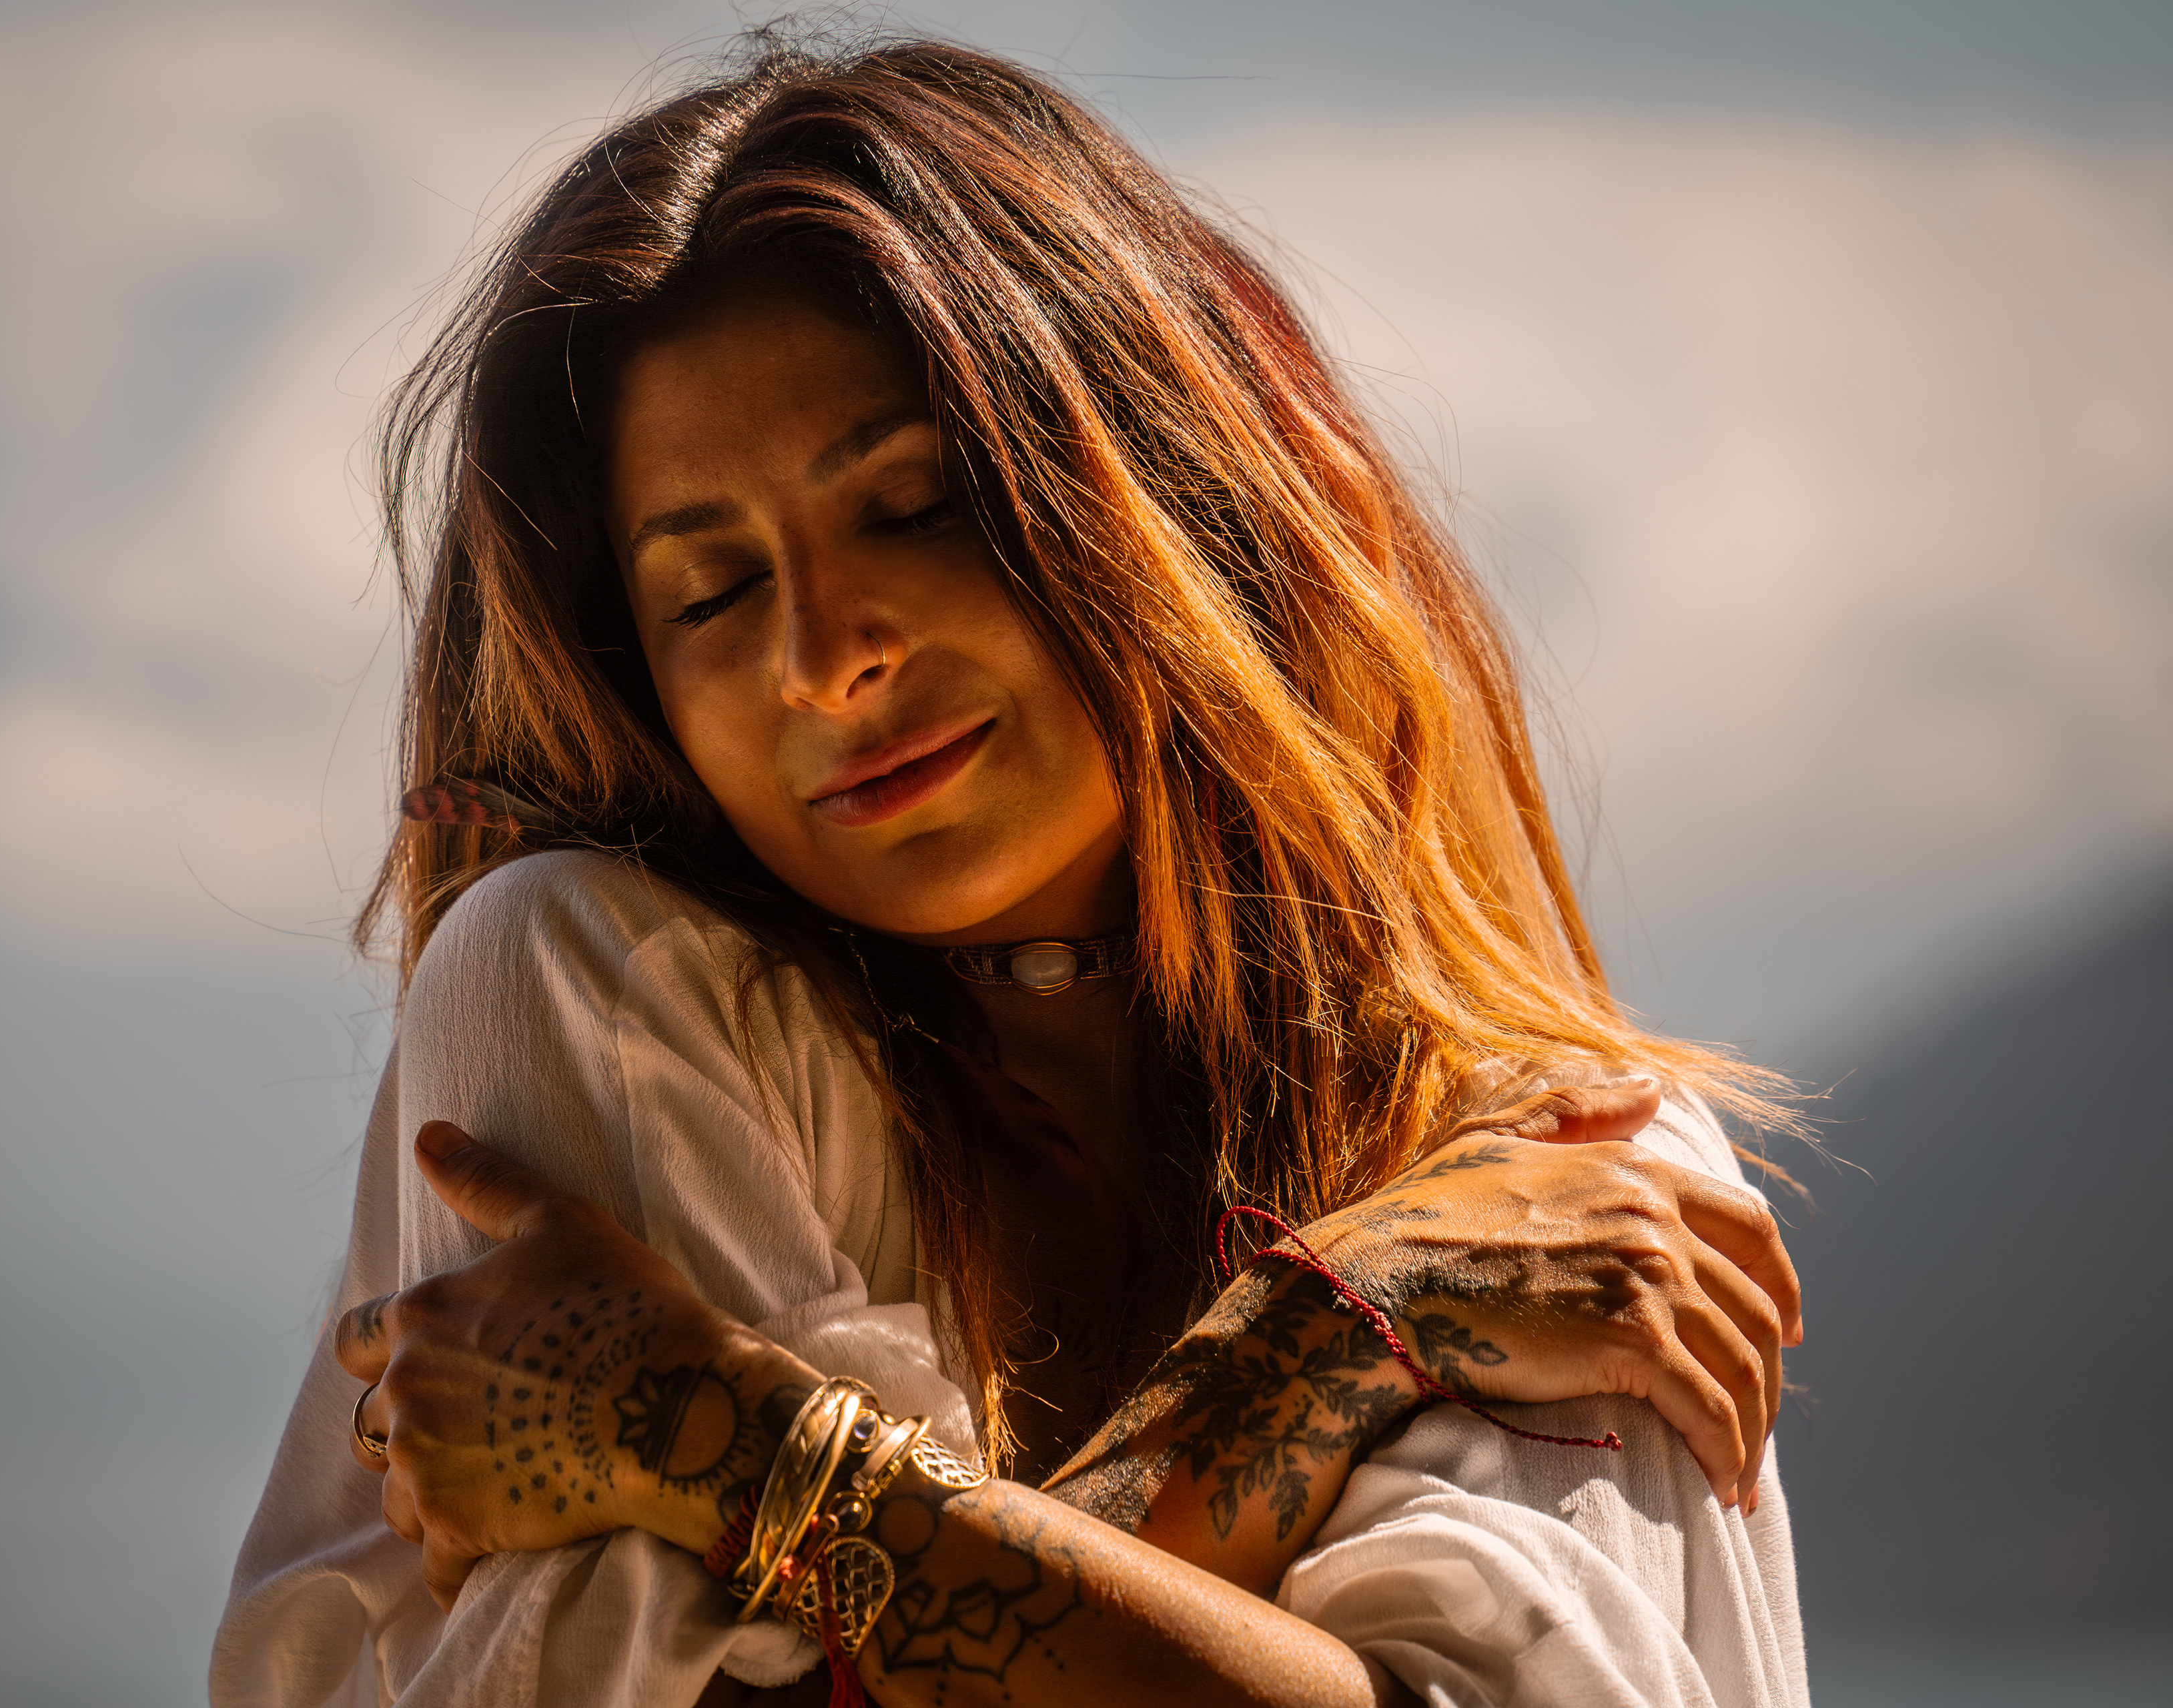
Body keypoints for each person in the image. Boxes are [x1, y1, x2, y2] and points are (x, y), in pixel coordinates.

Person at [213, 35, 1807, 1708]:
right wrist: (1339, 1323)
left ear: (1157, 497)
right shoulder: (592, 992)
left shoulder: (1570, 1179)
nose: (826, 657)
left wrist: (724, 1437)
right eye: (711, 595)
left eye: (915, 504)